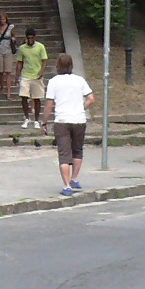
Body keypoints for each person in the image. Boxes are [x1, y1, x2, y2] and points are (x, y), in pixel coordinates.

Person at [43, 52, 94, 194]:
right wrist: (81, 108)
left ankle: (66, 186)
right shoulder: (80, 80)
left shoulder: (54, 81)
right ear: (71, 65)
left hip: (62, 121)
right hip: (79, 119)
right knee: (77, 150)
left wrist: (44, 122)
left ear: (58, 66)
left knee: (64, 153)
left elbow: (49, 104)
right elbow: (91, 98)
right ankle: (75, 178)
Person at [16, 29, 49, 129]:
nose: (30, 40)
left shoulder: (40, 47)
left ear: (35, 37)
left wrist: (41, 72)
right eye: (28, 38)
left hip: (36, 75)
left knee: (37, 97)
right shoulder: (22, 48)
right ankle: (26, 118)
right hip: (25, 75)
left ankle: (36, 120)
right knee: (24, 96)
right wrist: (17, 75)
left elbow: (45, 60)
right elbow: (20, 62)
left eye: (32, 38)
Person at [0, 13, 16, 100]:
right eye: (1, 19)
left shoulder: (10, 27)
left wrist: (13, 39)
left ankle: (9, 92)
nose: (2, 21)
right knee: (0, 71)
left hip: (8, 50)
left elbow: (14, 36)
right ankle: (2, 86)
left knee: (8, 71)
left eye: (4, 19)